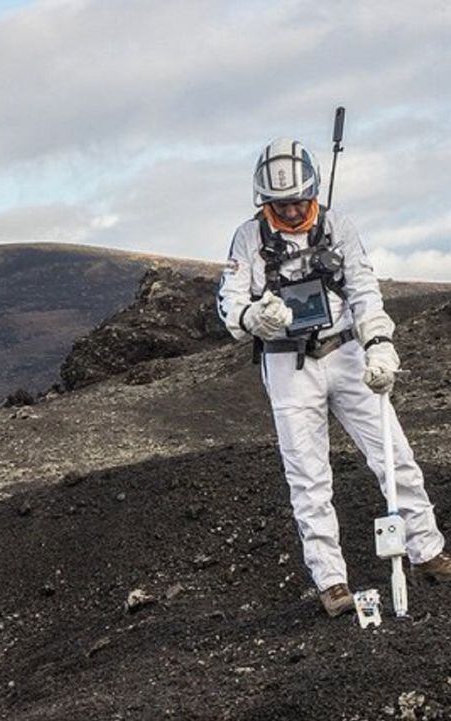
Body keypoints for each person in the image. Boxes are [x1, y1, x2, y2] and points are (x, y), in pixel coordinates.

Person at [217, 138, 451, 617]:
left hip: (345, 351)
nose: (292, 209)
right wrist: (254, 317)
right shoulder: (247, 238)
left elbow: (365, 289)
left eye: (300, 200)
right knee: (308, 475)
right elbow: (229, 304)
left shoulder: (338, 225)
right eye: (281, 204)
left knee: (394, 454)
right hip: (287, 365)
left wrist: (379, 345)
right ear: (265, 201)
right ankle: (331, 580)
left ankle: (426, 550)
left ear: (315, 189)